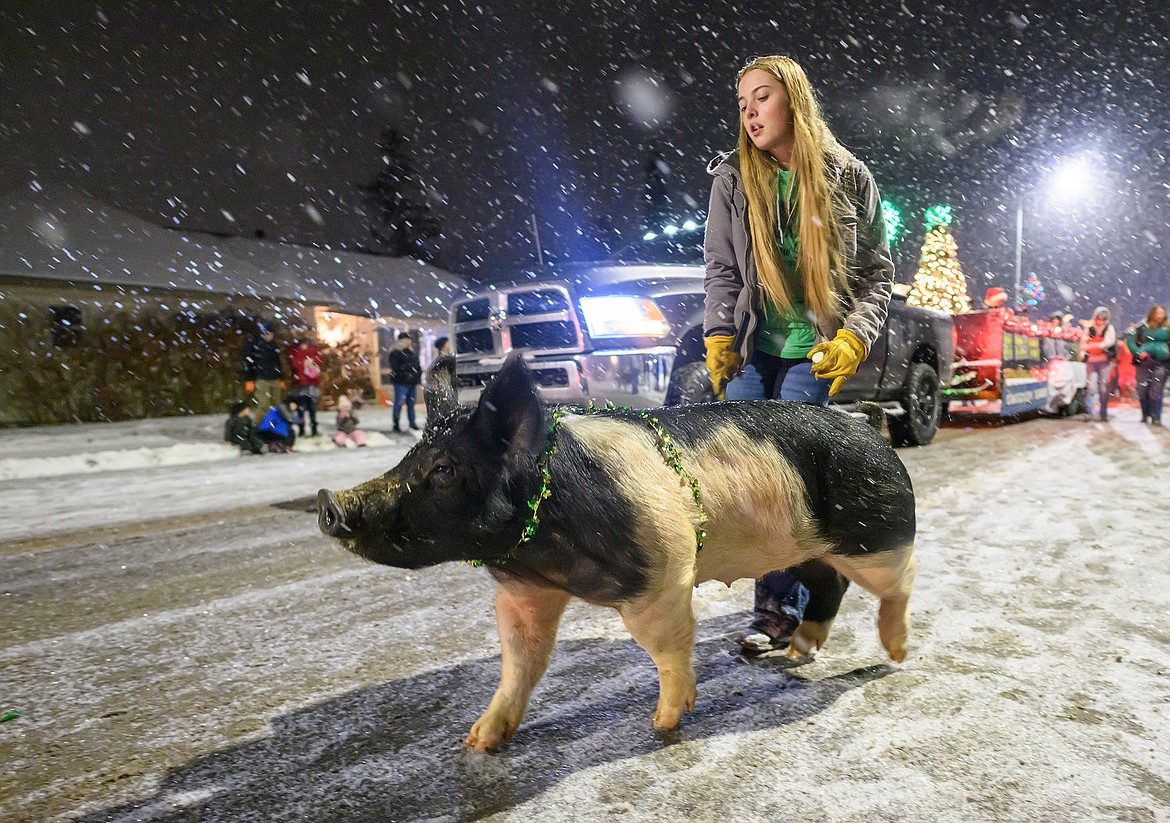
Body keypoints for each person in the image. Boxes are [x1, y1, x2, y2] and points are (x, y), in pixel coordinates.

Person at [703, 55, 895, 654]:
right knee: (744, 484)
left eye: (762, 97)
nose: (750, 112)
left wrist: (854, 337)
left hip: (812, 352)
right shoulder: (732, 179)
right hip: (752, 348)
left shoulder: (848, 177)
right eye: (742, 103)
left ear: (795, 101)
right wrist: (717, 336)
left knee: (784, 484)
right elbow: (722, 271)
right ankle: (795, 587)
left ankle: (778, 607)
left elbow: (876, 275)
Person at [1128, 304, 1170, 426]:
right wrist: (1138, 352)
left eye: (1162, 313)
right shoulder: (1141, 328)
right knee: (1142, 390)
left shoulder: (1168, 329)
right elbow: (1130, 341)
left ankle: (1156, 417)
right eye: (1158, 313)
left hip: (1161, 364)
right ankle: (1145, 414)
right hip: (1144, 364)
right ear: (1152, 314)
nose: (1160, 316)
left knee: (1156, 390)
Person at [1080, 306, 1117, 422]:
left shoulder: (1108, 329)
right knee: (1091, 387)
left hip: (1104, 362)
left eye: (1103, 319)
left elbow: (1108, 342)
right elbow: (1082, 345)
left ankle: (1103, 412)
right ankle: (1088, 412)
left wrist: (1093, 345)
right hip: (1091, 362)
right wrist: (1095, 346)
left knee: (1103, 388)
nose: (1101, 321)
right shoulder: (1089, 329)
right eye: (1099, 319)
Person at [242, 321, 286, 413]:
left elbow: (277, 362)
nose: (270, 336)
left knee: (276, 404)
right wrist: (249, 379)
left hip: (274, 378)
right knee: (263, 405)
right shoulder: (254, 345)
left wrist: (281, 377)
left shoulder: (274, 345)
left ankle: (273, 425)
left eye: (271, 334)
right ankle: (261, 425)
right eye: (267, 334)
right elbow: (248, 362)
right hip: (261, 378)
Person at [288, 337, 325, 437]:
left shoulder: (300, 353)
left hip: (306, 385)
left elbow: (295, 364)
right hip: (304, 385)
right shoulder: (301, 353)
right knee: (304, 409)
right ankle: (305, 428)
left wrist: (309, 362)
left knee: (307, 409)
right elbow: (295, 364)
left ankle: (308, 428)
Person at [388, 332, 422, 432]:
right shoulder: (395, 353)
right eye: (407, 340)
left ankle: (412, 423)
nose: (409, 342)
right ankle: (396, 424)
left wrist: (416, 376)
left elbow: (417, 366)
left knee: (411, 404)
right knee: (399, 403)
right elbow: (396, 368)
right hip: (401, 382)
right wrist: (407, 374)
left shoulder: (411, 353)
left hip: (411, 382)